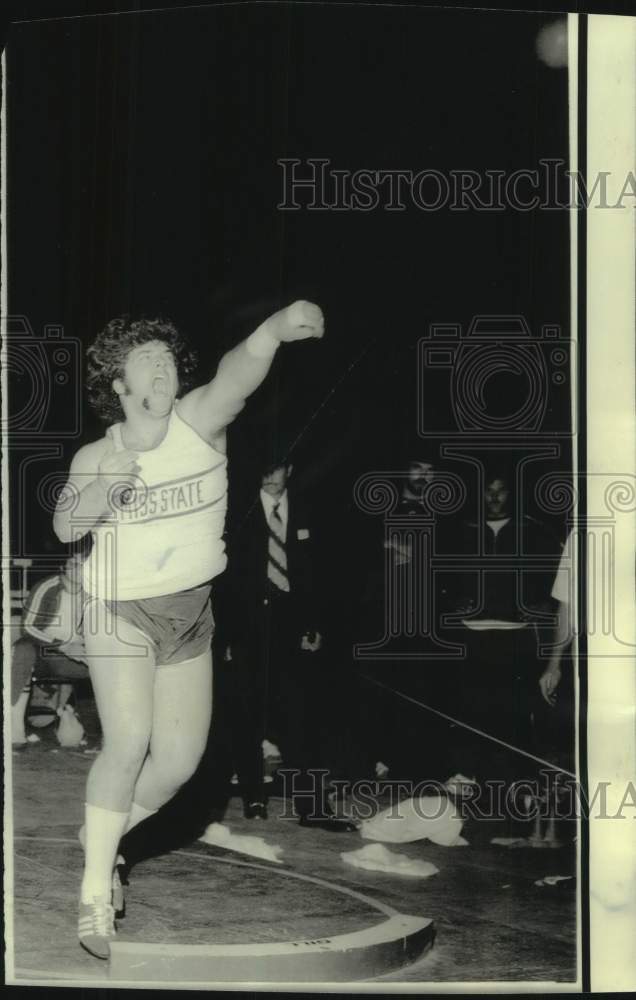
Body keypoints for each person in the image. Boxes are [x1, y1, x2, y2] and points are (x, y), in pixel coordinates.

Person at [52, 301, 324, 958]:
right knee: (128, 742)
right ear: (118, 386)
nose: (163, 369)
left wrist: (272, 329)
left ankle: (103, 837)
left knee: (177, 764)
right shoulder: (99, 454)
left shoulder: (200, 421)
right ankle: (94, 895)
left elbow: (237, 375)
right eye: (146, 362)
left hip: (189, 610)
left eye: (168, 359)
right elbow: (65, 526)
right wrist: (100, 493)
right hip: (118, 607)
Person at [220, 458, 355, 830]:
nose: (269, 476)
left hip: (294, 631)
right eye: (263, 469)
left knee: (302, 719)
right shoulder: (237, 511)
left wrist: (316, 624)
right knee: (246, 716)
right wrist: (227, 636)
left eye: (276, 468)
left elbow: (323, 573)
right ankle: (253, 798)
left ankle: (312, 808)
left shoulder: (311, 510)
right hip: (248, 628)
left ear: (291, 469)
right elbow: (224, 578)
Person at [444, 468, 561, 790]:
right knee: (468, 707)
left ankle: (516, 784)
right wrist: (451, 602)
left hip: (516, 634)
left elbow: (559, 581)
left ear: (513, 493)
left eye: (502, 490)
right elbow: (439, 577)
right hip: (471, 633)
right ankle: (465, 777)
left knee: (514, 710)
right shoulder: (458, 530)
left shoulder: (536, 531)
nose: (494, 497)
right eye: (488, 490)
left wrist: (541, 604)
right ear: (478, 494)